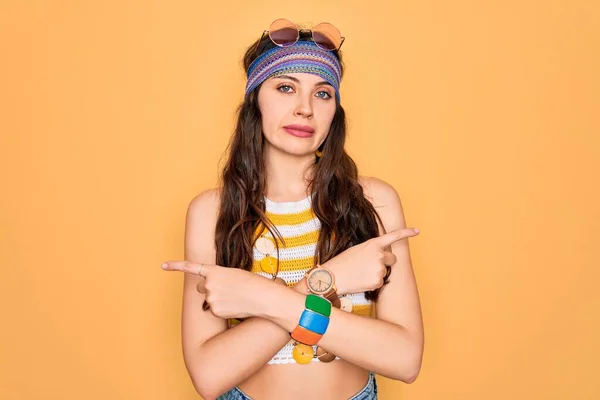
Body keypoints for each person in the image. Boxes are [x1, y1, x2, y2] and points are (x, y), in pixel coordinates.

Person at [162, 18, 424, 400]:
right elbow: (209, 375)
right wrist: (331, 278)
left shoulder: (375, 201)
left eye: (322, 94)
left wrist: (261, 298)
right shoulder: (212, 211)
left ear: (335, 110)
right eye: (286, 88)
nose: (305, 109)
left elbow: (405, 359)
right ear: (255, 101)